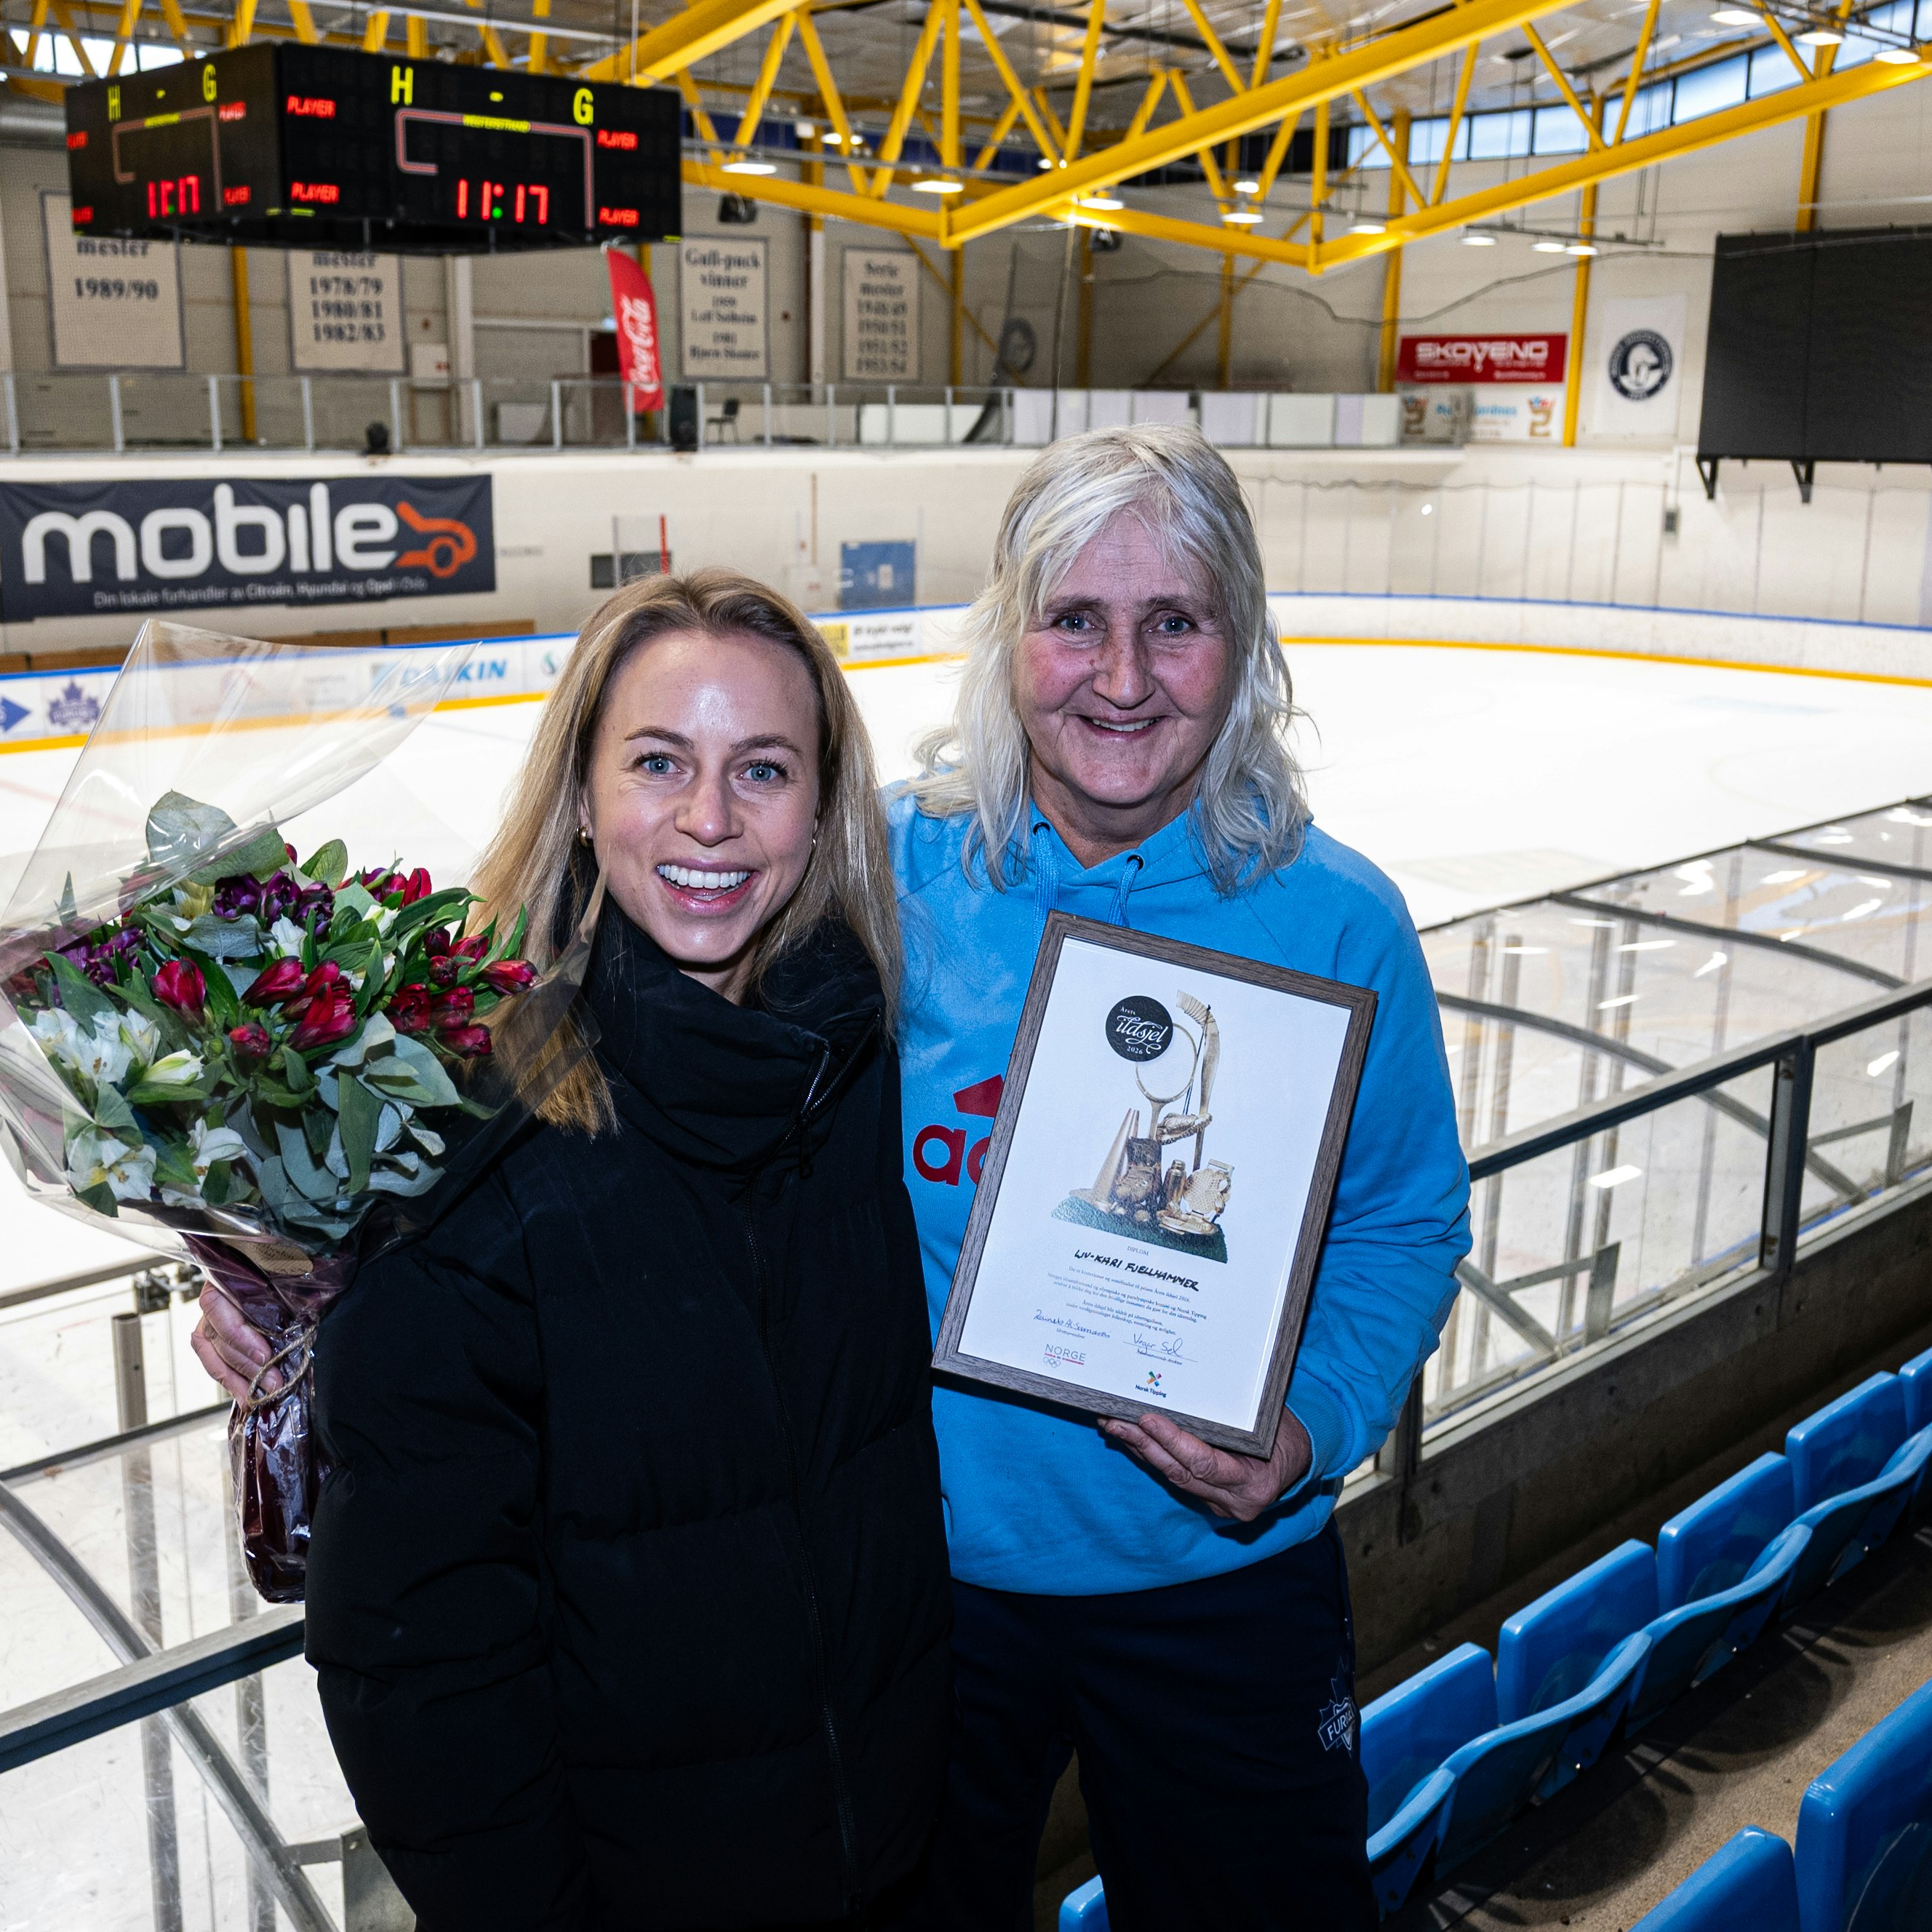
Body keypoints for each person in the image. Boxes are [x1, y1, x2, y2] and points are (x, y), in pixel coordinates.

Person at [195, 570, 951, 1930]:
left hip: (898, 1859)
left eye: (763, 768)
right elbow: (420, 1664)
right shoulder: (471, 1147)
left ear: (824, 806)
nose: (710, 818)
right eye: (658, 762)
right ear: (583, 797)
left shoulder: (858, 1069)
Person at [893, 423, 1470, 1932]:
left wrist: (1313, 1420)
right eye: (1074, 618)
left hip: (1223, 1577)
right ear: (1009, 635)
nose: (1123, 676)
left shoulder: (1338, 922)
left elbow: (1405, 1219)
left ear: (1244, 641)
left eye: (1175, 622)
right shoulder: (885, 878)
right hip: (918, 1582)